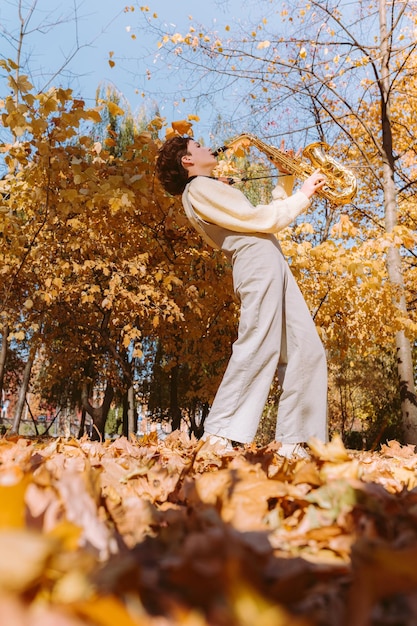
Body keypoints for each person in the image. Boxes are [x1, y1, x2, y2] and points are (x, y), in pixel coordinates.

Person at [155, 134, 328, 458]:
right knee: (258, 343)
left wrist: (286, 177)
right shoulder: (199, 189)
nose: (207, 147)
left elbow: (262, 218)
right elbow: (258, 220)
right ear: (187, 161)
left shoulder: (207, 187)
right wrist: (304, 194)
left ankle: (295, 441)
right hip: (257, 261)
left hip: (269, 259)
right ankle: (219, 433)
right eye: (198, 146)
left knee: (308, 348)